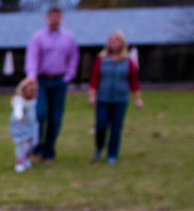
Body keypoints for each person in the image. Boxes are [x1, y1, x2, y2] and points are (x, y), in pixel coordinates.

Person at [25, 5, 80, 162]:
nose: (54, 19)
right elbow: (32, 58)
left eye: (57, 16)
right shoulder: (38, 37)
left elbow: (73, 57)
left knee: (55, 118)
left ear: (61, 18)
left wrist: (69, 76)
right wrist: (32, 76)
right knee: (39, 114)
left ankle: (49, 150)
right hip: (41, 81)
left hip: (59, 81)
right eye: (52, 16)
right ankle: (37, 147)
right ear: (47, 18)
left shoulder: (68, 37)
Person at [88, 30, 144, 165]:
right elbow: (95, 78)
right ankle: (99, 147)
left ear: (122, 43)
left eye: (116, 40)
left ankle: (112, 154)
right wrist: (92, 95)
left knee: (116, 128)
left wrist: (138, 98)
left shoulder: (128, 61)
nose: (113, 42)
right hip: (103, 99)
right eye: (111, 40)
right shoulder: (101, 59)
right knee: (100, 125)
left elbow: (134, 81)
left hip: (120, 100)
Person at [9, 77, 40, 173]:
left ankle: (26, 157)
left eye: (34, 91)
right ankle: (20, 161)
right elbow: (18, 109)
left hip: (32, 125)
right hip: (21, 125)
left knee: (32, 143)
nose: (32, 93)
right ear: (23, 90)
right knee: (23, 144)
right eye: (30, 90)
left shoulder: (33, 100)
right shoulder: (19, 100)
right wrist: (20, 117)